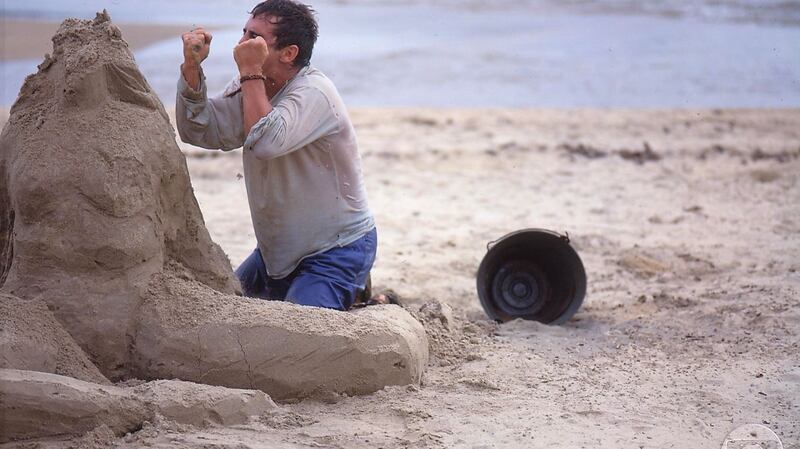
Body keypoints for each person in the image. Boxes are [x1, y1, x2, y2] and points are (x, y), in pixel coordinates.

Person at [176, 0, 378, 311]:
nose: (241, 45)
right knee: (221, 308)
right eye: (244, 33)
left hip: (336, 249)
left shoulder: (315, 93)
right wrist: (192, 67)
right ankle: (349, 295)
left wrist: (250, 73)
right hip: (275, 255)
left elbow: (265, 142)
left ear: (288, 53)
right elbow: (201, 130)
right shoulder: (252, 84)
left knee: (301, 329)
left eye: (254, 38)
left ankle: (354, 291)